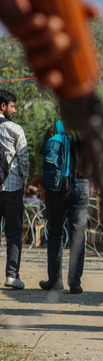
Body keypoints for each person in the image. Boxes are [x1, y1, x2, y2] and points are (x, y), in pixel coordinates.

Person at [37, 123, 90, 294]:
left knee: (55, 233)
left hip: (56, 187)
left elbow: (44, 156)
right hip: (80, 185)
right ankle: (75, 283)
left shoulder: (54, 128)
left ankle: (55, 281)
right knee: (77, 235)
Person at [0, 90, 29, 290]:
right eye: (12, 106)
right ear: (3, 106)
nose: (15, 110)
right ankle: (12, 276)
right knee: (14, 232)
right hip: (12, 187)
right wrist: (24, 180)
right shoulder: (15, 129)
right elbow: (24, 159)